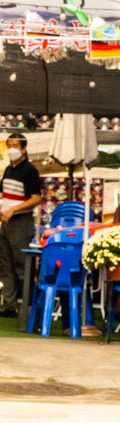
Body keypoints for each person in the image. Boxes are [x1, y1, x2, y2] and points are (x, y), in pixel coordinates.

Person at [0, 132, 43, 319]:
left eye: (15, 146)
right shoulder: (8, 170)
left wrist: (14, 210)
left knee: (22, 265)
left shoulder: (29, 171)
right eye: (9, 145)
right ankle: (9, 304)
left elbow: (36, 199)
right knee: (5, 264)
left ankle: (28, 304)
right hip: (5, 222)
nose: (11, 150)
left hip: (20, 222)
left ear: (24, 149)